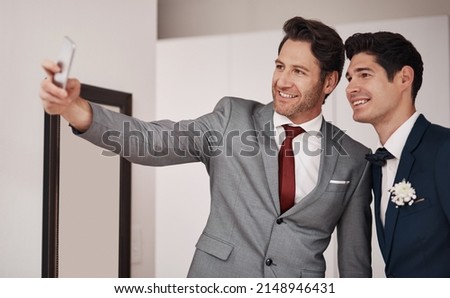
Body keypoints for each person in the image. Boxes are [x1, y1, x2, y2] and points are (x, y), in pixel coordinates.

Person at [40, 16, 372, 278]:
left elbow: (355, 264)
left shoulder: (354, 159)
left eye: (298, 71)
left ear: (329, 81)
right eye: (280, 66)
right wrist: (74, 108)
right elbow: (152, 141)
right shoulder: (232, 118)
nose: (282, 81)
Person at [345, 31, 450, 277]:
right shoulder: (375, 167)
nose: (351, 88)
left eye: (364, 75)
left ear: (404, 78)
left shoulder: (444, 149)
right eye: (349, 78)